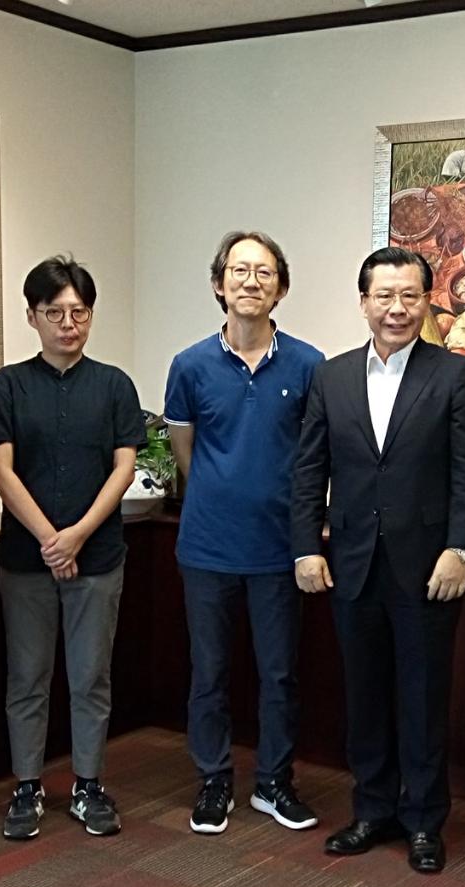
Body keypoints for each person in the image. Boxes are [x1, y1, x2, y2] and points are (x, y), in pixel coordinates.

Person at [291, 246, 465, 873]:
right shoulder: (332, 376)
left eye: (410, 295)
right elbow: (309, 470)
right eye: (384, 296)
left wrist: (461, 549)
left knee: (423, 697)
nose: (397, 308)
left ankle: (424, 820)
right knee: (366, 696)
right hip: (352, 564)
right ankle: (372, 810)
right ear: (363, 302)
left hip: (428, 567)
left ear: (427, 301)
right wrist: (305, 545)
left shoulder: (453, 375)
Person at [164, 231, 325, 835]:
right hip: (207, 547)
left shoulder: (309, 365)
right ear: (218, 284)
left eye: (263, 272)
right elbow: (186, 449)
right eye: (238, 270)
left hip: (280, 549)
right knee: (209, 672)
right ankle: (213, 781)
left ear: (280, 287)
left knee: (279, 673)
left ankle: (274, 783)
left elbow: (314, 457)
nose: (250, 281)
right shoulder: (190, 364)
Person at [0, 256, 145, 840]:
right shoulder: (8, 385)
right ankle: (27, 786)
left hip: (97, 556)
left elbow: (124, 468)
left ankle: (87, 784)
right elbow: (1, 471)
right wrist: (50, 539)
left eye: (79, 312)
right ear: (32, 316)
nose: (68, 324)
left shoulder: (114, 385)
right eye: (55, 313)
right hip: (25, 560)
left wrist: (76, 534)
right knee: (27, 675)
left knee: (90, 675)